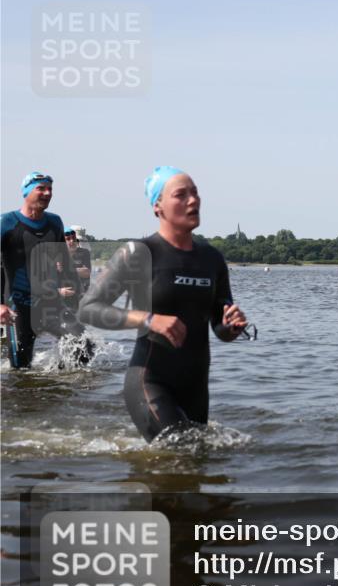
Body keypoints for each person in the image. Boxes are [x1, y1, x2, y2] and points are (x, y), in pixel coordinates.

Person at [78, 167, 247, 441]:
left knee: (196, 458)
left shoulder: (212, 258)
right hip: (150, 380)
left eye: (195, 193)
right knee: (180, 449)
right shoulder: (139, 253)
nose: (193, 200)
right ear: (158, 206)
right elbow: (88, 309)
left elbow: (220, 328)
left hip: (196, 386)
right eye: (181, 195)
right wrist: (148, 319)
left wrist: (231, 326)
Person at [1, 172, 90, 368]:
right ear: (26, 192)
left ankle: (62, 379)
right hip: (18, 306)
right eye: (40, 188)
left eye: (50, 189)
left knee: (84, 346)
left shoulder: (55, 222)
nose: (47, 193)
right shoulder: (6, 222)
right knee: (21, 368)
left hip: (51, 304)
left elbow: (66, 263)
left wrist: (78, 294)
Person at [64, 226, 91, 295]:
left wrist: (66, 270)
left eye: (74, 238)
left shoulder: (84, 252)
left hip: (82, 293)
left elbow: (86, 272)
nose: (72, 241)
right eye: (68, 239)